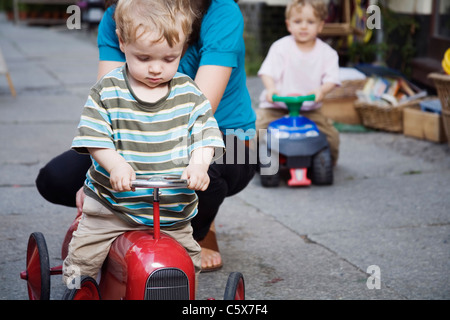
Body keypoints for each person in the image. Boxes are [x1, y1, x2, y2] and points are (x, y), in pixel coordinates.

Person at [36, 0, 256, 272]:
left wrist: (195, 163)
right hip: (138, 133)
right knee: (56, 178)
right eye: (144, 59)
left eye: (167, 59)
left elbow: (198, 117)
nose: (155, 68)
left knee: (206, 169)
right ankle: (121, 219)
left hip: (225, 136)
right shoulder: (120, 13)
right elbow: (108, 107)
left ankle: (196, 228)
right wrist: (98, 177)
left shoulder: (221, 12)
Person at [256, 0, 340, 165]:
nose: (303, 26)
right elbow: (267, 72)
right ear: (288, 25)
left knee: (332, 137)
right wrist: (271, 90)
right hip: (276, 108)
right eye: (297, 21)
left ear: (320, 26)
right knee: (253, 130)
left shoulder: (327, 53)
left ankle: (327, 163)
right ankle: (249, 163)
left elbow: (332, 79)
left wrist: (321, 91)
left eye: (310, 22)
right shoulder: (280, 48)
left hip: (309, 110)